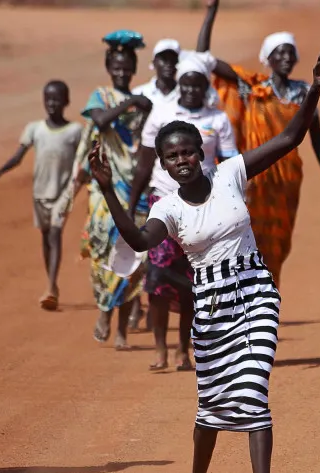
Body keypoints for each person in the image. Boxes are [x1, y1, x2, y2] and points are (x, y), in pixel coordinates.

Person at [91, 41, 320, 473]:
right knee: (212, 409)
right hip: (212, 308)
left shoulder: (229, 174)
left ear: (202, 152)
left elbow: (289, 138)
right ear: (164, 161)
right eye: (171, 155)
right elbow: (137, 240)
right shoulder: (167, 208)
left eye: (187, 152)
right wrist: (109, 188)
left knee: (253, 393)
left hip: (256, 294)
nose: (181, 160)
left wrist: (314, 94)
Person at [200, 0, 320, 285]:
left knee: (278, 242)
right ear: (269, 59)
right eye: (280, 53)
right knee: (247, 237)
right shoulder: (251, 87)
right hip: (254, 178)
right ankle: (244, 296)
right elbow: (204, 59)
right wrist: (211, 11)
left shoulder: (305, 93)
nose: (286, 57)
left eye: (290, 52)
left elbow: (318, 141)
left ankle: (266, 297)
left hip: (286, 180)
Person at [129, 50, 239, 372]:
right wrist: (130, 201)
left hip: (204, 206)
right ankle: (160, 347)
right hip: (163, 203)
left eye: (198, 84)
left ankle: (183, 349)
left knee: (194, 280)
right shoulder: (161, 112)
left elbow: (230, 163)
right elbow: (145, 162)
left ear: (205, 86)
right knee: (159, 276)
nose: (191, 90)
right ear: (179, 84)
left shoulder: (218, 119)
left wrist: (235, 204)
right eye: (186, 84)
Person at [72, 30, 153, 349]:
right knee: (104, 250)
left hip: (135, 186)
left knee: (135, 255)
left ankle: (120, 327)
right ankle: (105, 308)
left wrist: (140, 105)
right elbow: (102, 122)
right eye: (116, 66)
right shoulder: (101, 96)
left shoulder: (145, 103)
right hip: (105, 187)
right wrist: (130, 102)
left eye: (126, 67)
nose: (121, 71)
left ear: (133, 68)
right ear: (109, 67)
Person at [0, 80, 83, 311]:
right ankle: (52, 284)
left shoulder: (75, 131)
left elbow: (82, 162)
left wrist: (84, 183)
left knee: (55, 234)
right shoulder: (34, 128)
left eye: (57, 99)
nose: (52, 103)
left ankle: (51, 286)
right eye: (48, 99)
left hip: (65, 192)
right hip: (40, 193)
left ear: (66, 102)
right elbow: (19, 156)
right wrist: (0, 171)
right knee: (45, 236)